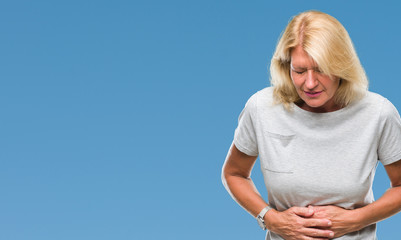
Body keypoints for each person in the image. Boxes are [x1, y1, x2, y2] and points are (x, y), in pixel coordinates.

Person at [221, 10, 401, 240]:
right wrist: (270, 218)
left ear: (342, 67)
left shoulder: (378, 113)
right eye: (299, 70)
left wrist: (355, 220)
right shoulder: (261, 108)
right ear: (286, 66)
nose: (310, 83)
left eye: (322, 70)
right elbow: (234, 173)